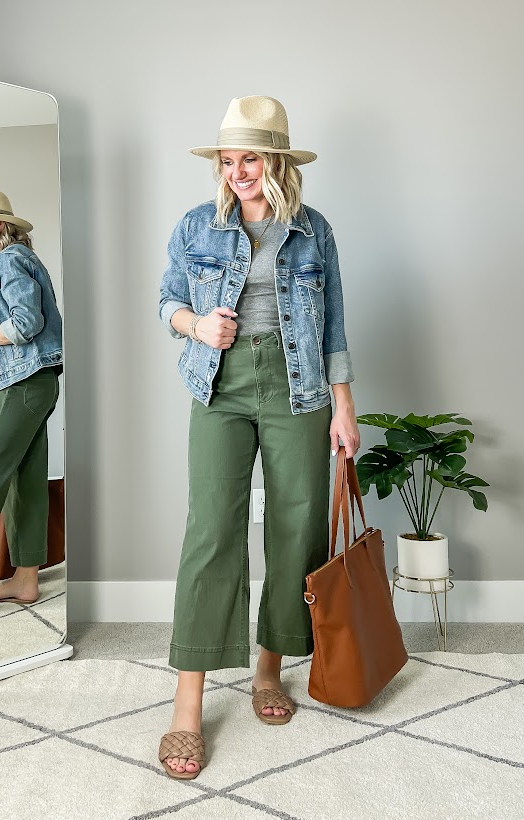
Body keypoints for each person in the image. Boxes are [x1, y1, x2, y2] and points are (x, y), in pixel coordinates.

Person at [158, 96, 360, 780]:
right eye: (228, 159)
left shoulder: (313, 230)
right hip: (218, 382)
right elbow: (167, 301)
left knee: (296, 526)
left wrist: (344, 407)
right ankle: (187, 707)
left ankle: (267, 670)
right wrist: (196, 326)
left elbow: (332, 324)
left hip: (298, 384)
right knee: (212, 529)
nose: (238, 171)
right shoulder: (196, 226)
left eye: (250, 157)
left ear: (275, 160)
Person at [0, 188, 63, 606]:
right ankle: (25, 580)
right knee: (24, 482)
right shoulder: (18, 261)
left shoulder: (8, 260)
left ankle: (24, 577)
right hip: (37, 383)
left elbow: (25, 323)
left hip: (20, 384)